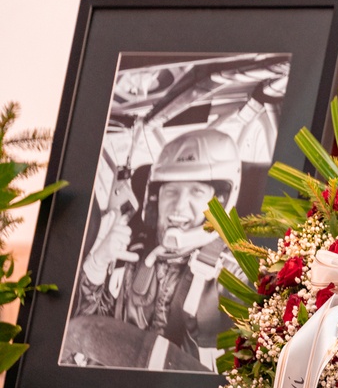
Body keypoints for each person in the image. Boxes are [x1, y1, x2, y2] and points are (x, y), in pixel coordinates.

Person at [65, 128, 242, 372]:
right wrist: (98, 263)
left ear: (219, 202)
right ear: (155, 199)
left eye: (196, 191)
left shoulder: (233, 276)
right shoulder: (133, 254)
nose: (179, 205)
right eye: (170, 191)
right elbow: (85, 328)